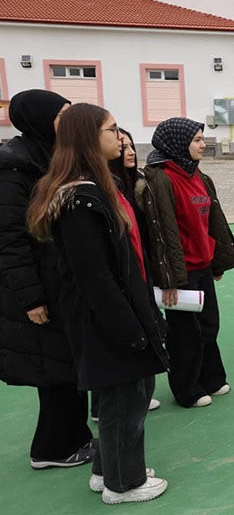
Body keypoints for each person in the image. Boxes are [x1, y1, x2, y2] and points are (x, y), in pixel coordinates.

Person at [26, 103, 169, 504]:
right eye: (111, 129)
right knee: (125, 397)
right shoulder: (80, 200)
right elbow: (96, 277)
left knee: (122, 395)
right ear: (89, 139)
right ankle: (122, 484)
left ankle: (108, 469)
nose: (119, 136)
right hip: (106, 319)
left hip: (115, 312)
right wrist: (130, 330)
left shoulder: (95, 187)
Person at [0, 90, 95, 470]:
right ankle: (52, 448)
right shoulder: (14, 169)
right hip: (39, 289)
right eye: (62, 116)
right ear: (40, 120)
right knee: (54, 370)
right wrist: (31, 298)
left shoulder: (49, 159)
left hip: (60, 283)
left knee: (68, 364)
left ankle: (74, 437)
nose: (69, 123)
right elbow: (9, 241)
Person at [137, 117, 234, 408]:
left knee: (209, 325)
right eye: (197, 140)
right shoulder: (160, 179)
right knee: (185, 334)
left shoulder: (199, 176)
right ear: (177, 143)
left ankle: (212, 377)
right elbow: (159, 233)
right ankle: (186, 389)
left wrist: (217, 261)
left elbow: (213, 224)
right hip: (179, 270)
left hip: (203, 265)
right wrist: (168, 279)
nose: (203, 144)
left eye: (202, 139)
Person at [92, 128, 162, 416]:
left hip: (140, 273)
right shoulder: (99, 191)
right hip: (123, 282)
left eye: (132, 145)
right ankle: (102, 407)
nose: (129, 150)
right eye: (122, 144)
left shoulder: (135, 183)